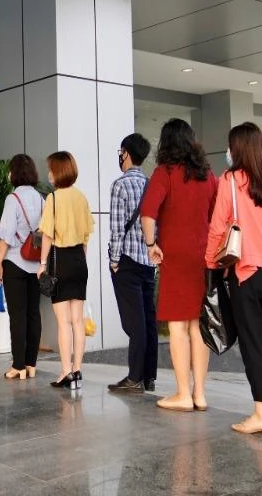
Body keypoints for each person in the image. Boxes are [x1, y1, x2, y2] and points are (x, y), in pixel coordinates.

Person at [205, 122, 262, 438]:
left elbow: (217, 227)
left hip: (246, 273)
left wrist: (210, 264)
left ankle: (261, 414)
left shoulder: (230, 180)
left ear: (237, 148)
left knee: (253, 345)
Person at [140, 119, 217, 411]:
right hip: (203, 257)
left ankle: (183, 393)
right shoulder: (207, 174)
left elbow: (148, 214)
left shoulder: (165, 172)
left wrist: (151, 245)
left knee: (178, 327)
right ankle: (200, 394)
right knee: (198, 326)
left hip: (175, 256)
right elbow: (216, 215)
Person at [106, 134, 158, 395]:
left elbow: (117, 229)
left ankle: (135, 377)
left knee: (134, 323)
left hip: (126, 261)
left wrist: (114, 261)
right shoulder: (150, 184)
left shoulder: (120, 185)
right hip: (148, 261)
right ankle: (149, 377)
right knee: (148, 320)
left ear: (125, 153)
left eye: (120, 151)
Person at [38, 152, 94, 390]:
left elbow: (47, 236)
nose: (49, 174)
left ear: (58, 171)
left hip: (60, 261)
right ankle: (78, 370)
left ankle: (66, 371)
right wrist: (80, 260)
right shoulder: (81, 197)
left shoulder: (53, 198)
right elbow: (86, 237)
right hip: (79, 261)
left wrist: (42, 265)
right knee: (77, 321)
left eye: (51, 169)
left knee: (63, 322)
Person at [0, 154, 43, 380]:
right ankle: (31, 364)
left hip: (15, 262)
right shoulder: (41, 199)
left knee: (18, 315)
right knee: (34, 314)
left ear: (14, 173)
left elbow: (6, 235)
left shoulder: (12, 198)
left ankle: (18, 366)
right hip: (35, 264)